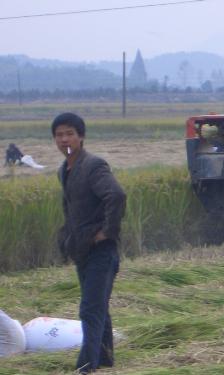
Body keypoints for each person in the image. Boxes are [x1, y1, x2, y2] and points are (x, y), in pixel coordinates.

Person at [52, 113, 126, 374]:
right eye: (59, 135)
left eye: (69, 133)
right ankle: (105, 359)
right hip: (82, 249)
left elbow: (116, 196)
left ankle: (86, 367)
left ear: (81, 137)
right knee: (98, 305)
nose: (64, 139)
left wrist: (107, 232)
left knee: (90, 308)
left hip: (101, 250)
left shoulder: (93, 165)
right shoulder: (66, 170)